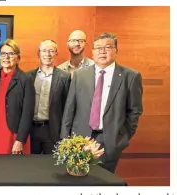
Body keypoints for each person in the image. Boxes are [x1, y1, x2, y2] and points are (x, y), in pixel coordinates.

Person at [61, 33, 143, 173]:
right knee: (77, 180)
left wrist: (122, 138)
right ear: (92, 52)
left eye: (107, 47)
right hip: (79, 139)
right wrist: (65, 139)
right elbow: (69, 108)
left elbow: (134, 111)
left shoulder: (130, 76)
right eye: (98, 48)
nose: (102, 51)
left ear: (116, 50)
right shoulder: (80, 75)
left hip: (110, 140)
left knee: (103, 181)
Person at [0, 39, 35, 154]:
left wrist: (20, 140)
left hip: (14, 134)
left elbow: (27, 113)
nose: (6, 57)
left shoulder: (26, 79)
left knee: (14, 170)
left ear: (18, 58)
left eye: (11, 54)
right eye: (3, 54)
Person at [27, 40, 71, 154]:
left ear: (56, 53)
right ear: (38, 53)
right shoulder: (28, 76)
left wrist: (65, 134)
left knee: (51, 165)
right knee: (29, 165)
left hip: (52, 130)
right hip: (31, 129)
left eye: (51, 51)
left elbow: (67, 107)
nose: (48, 54)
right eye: (44, 51)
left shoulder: (64, 77)